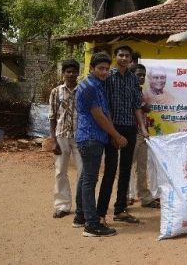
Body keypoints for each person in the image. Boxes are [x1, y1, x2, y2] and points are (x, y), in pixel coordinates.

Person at [73, 52, 128, 237]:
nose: (104, 72)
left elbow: (105, 113)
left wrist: (112, 134)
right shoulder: (89, 87)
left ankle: (81, 216)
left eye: (106, 68)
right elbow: (99, 116)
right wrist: (117, 136)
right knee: (90, 180)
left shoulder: (98, 85)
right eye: (100, 68)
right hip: (90, 137)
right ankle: (91, 224)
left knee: (85, 178)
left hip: (94, 137)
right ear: (91, 68)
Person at [97, 45, 149, 226]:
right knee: (110, 170)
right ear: (115, 57)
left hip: (130, 128)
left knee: (126, 170)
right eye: (121, 55)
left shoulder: (133, 80)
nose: (124, 58)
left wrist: (142, 127)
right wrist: (112, 131)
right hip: (112, 128)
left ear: (130, 59)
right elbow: (104, 106)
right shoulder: (108, 77)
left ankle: (120, 210)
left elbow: (137, 106)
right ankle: (101, 213)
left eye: (127, 56)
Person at [49, 59, 82, 219]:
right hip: (61, 136)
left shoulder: (82, 90)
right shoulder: (56, 92)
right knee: (60, 171)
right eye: (68, 71)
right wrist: (53, 140)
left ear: (78, 73)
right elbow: (52, 117)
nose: (71, 74)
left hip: (80, 136)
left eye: (74, 71)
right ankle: (62, 205)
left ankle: (83, 205)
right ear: (63, 73)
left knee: (83, 172)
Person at [128, 63, 160, 208]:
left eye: (143, 75)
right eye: (138, 74)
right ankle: (126, 196)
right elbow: (138, 109)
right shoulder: (127, 90)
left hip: (142, 133)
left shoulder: (139, 91)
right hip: (131, 132)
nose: (141, 77)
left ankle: (144, 197)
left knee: (141, 166)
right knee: (127, 166)